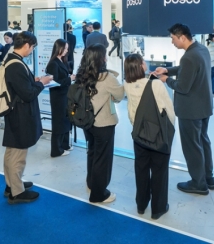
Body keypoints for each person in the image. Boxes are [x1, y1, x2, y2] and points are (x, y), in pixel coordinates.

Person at [154, 23, 214, 194]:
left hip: (190, 110)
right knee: (203, 141)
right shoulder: (201, 50)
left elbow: (182, 87)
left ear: (182, 37)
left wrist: (166, 80)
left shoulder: (188, 57)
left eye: (173, 39)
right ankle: (208, 178)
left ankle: (198, 183)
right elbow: (186, 70)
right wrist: (167, 70)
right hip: (204, 106)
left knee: (192, 146)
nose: (172, 42)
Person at [2, 32, 52, 204]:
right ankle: (16, 192)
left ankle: (11, 185)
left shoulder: (12, 60)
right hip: (20, 114)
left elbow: (21, 86)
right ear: (26, 45)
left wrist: (33, 80)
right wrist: (41, 83)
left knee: (11, 151)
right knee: (18, 154)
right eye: (32, 47)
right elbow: (28, 94)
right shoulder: (16, 65)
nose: (32, 50)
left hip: (14, 112)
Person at [124, 54, 175, 220]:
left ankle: (141, 204)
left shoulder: (127, 84)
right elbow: (168, 109)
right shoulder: (156, 84)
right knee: (159, 171)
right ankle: (158, 209)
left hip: (138, 134)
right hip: (157, 135)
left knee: (141, 169)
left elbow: (131, 111)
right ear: (141, 66)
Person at [76, 44, 125, 203]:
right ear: (101, 58)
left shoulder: (81, 74)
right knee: (103, 159)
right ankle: (99, 194)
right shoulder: (107, 78)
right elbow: (119, 95)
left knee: (92, 152)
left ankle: (91, 183)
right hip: (103, 124)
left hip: (87, 121)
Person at [45, 39, 75, 157]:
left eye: (67, 48)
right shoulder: (53, 63)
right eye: (65, 48)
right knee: (59, 122)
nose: (67, 50)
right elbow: (56, 82)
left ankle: (65, 144)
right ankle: (56, 149)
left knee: (66, 120)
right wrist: (69, 79)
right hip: (58, 97)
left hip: (64, 95)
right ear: (59, 48)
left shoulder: (61, 60)